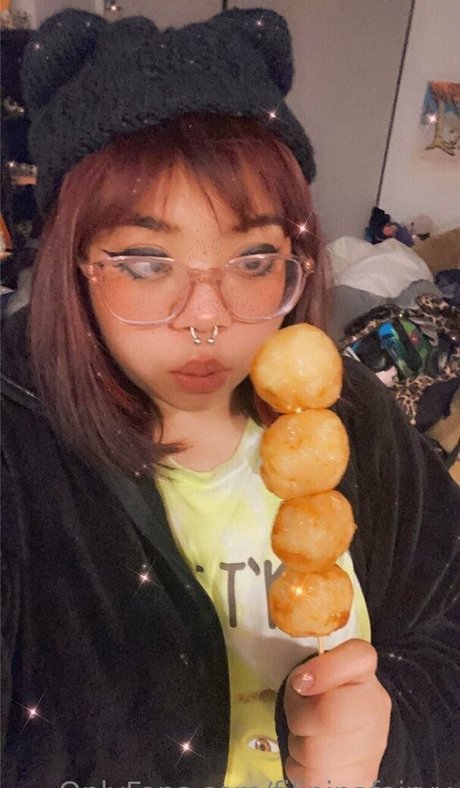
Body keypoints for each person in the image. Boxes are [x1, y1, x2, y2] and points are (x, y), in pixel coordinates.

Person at [1, 8, 458, 788]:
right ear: (76, 266)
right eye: (147, 261)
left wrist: (394, 736)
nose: (207, 319)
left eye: (253, 259)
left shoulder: (349, 415)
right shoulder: (20, 452)